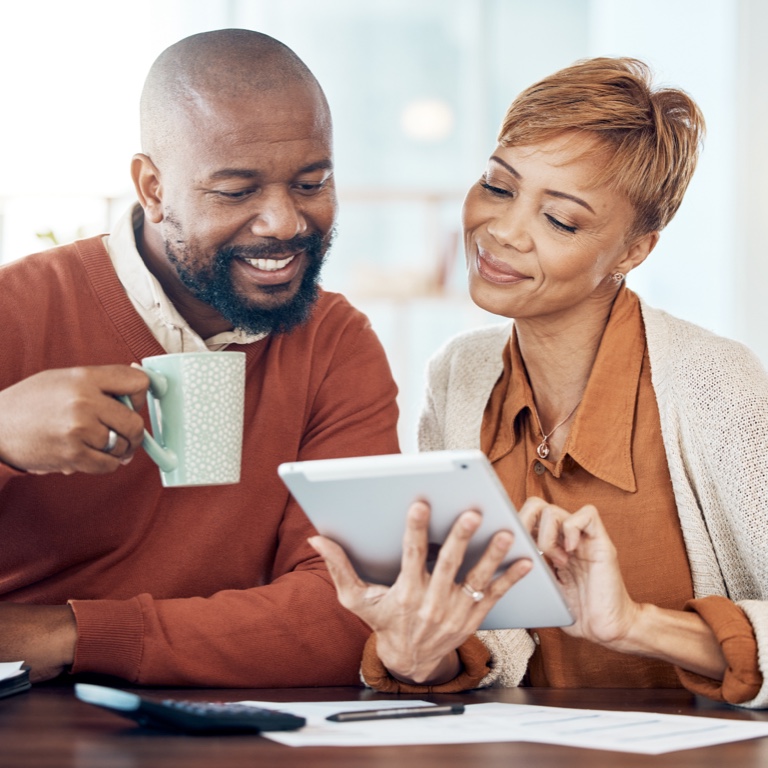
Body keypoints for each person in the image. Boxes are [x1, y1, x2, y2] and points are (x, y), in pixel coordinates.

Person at [311, 57, 768, 708]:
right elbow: (497, 640)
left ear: (635, 250)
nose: (502, 232)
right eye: (498, 188)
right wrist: (422, 651)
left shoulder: (719, 386)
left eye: (560, 220)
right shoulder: (460, 377)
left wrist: (638, 626)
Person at [0, 29, 399, 687]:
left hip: (239, 721)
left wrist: (64, 634)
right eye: (236, 191)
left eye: (311, 181)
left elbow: (350, 612)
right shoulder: (18, 310)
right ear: (153, 188)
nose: (283, 222)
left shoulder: (335, 344)